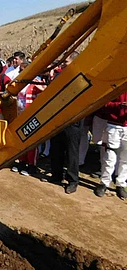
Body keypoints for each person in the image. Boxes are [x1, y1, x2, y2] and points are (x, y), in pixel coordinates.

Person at [47, 52, 83, 194]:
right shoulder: (58, 76)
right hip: (57, 119)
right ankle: (56, 175)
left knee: (72, 152)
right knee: (56, 148)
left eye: (66, 61)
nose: (62, 63)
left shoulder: (81, 77)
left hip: (73, 120)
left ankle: (73, 180)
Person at [94, 92, 127, 200]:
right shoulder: (118, 85)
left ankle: (121, 184)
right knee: (109, 157)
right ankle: (104, 182)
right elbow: (104, 103)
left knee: (125, 158)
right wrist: (119, 105)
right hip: (114, 124)